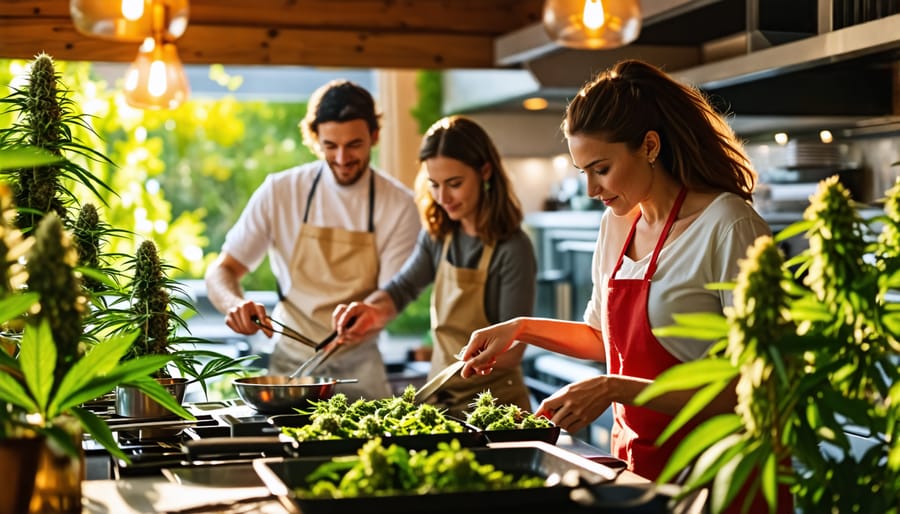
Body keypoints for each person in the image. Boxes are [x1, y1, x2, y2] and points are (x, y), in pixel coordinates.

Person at [458, 60, 792, 512]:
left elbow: (758, 387)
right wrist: (520, 328)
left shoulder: (728, 226)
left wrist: (614, 389)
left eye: (602, 168)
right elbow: (604, 339)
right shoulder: (618, 225)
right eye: (584, 172)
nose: (593, 189)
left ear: (650, 146)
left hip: (720, 474)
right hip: (639, 470)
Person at [205, 79, 420, 400]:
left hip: (360, 370)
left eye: (354, 145)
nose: (343, 158)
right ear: (314, 138)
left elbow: (393, 294)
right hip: (290, 366)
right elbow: (222, 270)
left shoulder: (399, 205)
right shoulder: (280, 191)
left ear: (374, 136)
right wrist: (235, 304)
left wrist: (372, 313)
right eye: (330, 146)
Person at [332, 115, 537, 417]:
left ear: (485, 172)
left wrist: (464, 363)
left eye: (454, 184)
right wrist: (370, 311)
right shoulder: (439, 236)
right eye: (435, 185)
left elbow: (513, 350)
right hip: (441, 402)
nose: (443, 198)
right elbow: (401, 289)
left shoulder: (513, 248)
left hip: (496, 409)